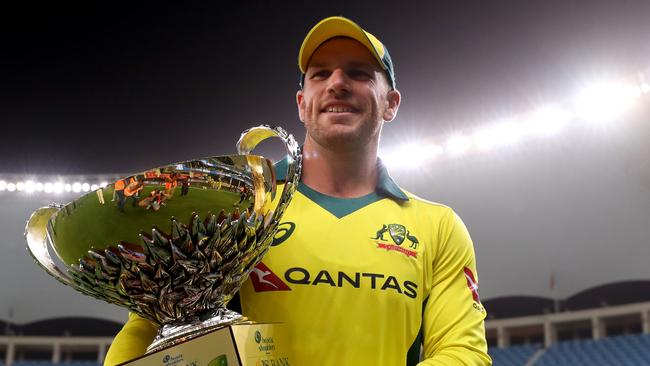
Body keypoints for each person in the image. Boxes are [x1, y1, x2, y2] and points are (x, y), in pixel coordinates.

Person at [104, 16, 491, 366]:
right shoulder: (237, 210)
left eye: (358, 73)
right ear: (302, 104)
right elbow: (151, 325)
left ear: (391, 104)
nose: (338, 83)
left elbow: (463, 352)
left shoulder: (437, 226)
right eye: (321, 74)